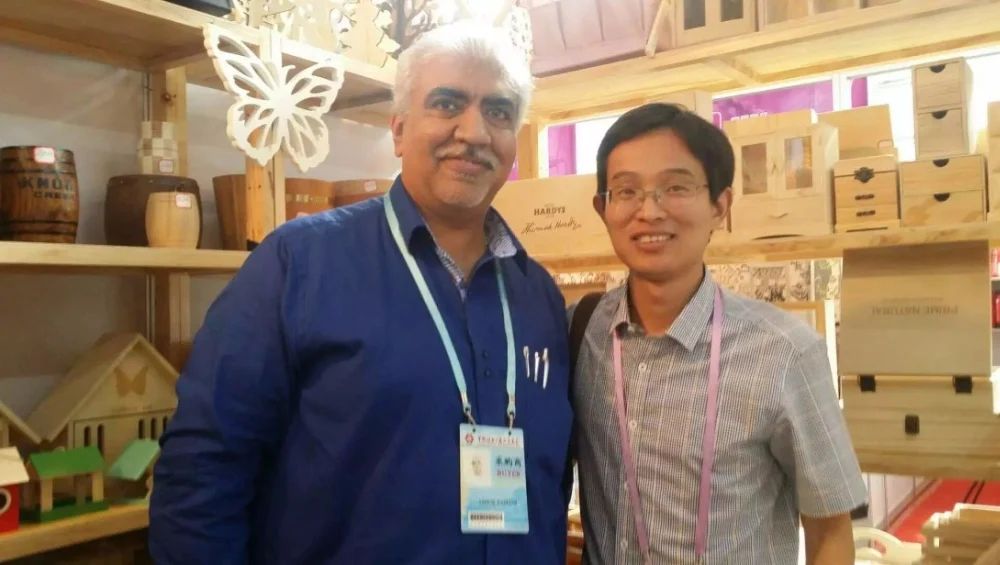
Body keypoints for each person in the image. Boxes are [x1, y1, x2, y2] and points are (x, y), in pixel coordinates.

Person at [149, 21, 573, 565]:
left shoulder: (538, 296)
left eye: (499, 111)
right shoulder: (297, 264)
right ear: (398, 130)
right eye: (447, 104)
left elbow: (552, 481)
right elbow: (202, 472)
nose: (474, 131)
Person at [568, 103, 867, 565]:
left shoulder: (784, 352)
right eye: (626, 190)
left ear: (720, 206)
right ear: (602, 208)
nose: (649, 211)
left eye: (675, 187)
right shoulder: (580, 332)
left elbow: (830, 529)